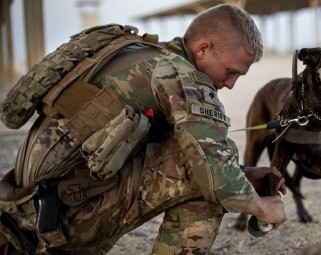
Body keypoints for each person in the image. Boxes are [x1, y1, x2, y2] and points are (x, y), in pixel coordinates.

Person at [0, 4, 286, 254]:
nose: (231, 83)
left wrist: (244, 175)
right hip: (64, 217)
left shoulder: (138, 52)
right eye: (231, 71)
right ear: (203, 49)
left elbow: (172, 153)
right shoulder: (182, 78)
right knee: (207, 182)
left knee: (208, 167)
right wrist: (261, 208)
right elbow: (212, 171)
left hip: (27, 204)